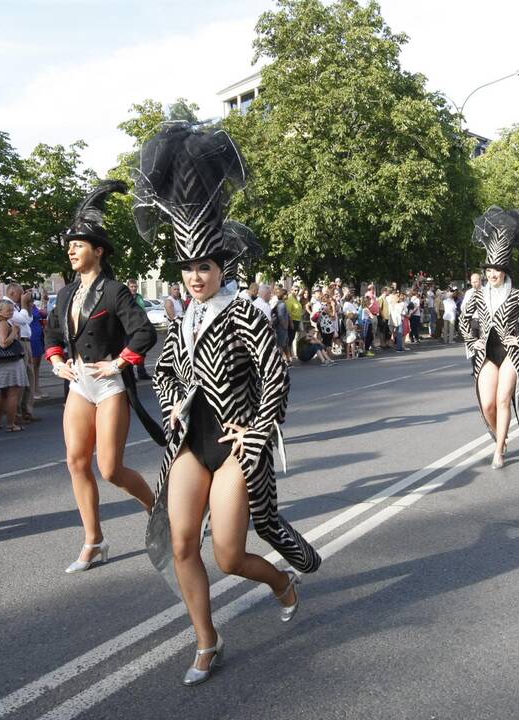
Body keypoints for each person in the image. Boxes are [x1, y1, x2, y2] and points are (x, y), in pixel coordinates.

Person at [134, 124, 320, 686]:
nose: (194, 277)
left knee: (229, 556)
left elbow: (275, 379)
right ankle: (206, 641)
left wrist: (257, 432)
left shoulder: (246, 315)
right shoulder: (181, 317)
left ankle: (283, 583)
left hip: (237, 444)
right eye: (188, 269)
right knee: (182, 540)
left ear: (222, 269)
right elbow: (164, 371)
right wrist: (170, 404)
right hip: (192, 442)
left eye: (204, 268)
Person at [45, 180, 160, 574]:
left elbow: (145, 332)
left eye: (79, 244)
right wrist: (57, 361)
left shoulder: (114, 292)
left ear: (98, 251)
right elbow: (53, 335)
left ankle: (157, 510)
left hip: (109, 385)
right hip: (78, 384)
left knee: (110, 468)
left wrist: (119, 363)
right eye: (70, 245)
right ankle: (94, 541)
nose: (71, 250)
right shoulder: (64, 294)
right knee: (76, 462)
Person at [459, 207, 519, 469]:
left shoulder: (518, 295)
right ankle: (500, 435)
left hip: (510, 354)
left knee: (503, 398)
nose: (491, 274)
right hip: (486, 353)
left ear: (505, 270)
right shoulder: (476, 295)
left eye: (496, 270)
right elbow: (463, 320)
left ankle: (499, 451)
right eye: (488, 270)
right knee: (487, 405)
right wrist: (471, 340)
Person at [0, 299, 28, 432]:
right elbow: (3, 343)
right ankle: (11, 424)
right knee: (12, 394)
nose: (11, 312)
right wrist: (14, 332)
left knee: (3, 393)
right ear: (0, 311)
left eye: (12, 310)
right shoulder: (3, 323)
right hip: (9, 362)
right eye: (8, 310)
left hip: (2, 363)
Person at [5, 283, 38, 423]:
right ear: (12, 292)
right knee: (21, 379)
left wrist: (28, 305)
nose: (22, 296)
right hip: (18, 343)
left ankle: (27, 411)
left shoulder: (17, 305)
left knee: (30, 377)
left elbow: (28, 320)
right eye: (20, 294)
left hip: (26, 342)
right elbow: (22, 319)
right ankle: (17, 413)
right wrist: (24, 304)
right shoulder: (6, 305)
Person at [127, 279, 151, 381]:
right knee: (131, 351)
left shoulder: (139, 297)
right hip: (130, 329)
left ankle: (142, 373)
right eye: (132, 286)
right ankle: (131, 375)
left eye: (135, 286)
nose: (134, 288)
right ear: (128, 287)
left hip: (141, 327)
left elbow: (143, 311)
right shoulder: (125, 298)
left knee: (141, 351)